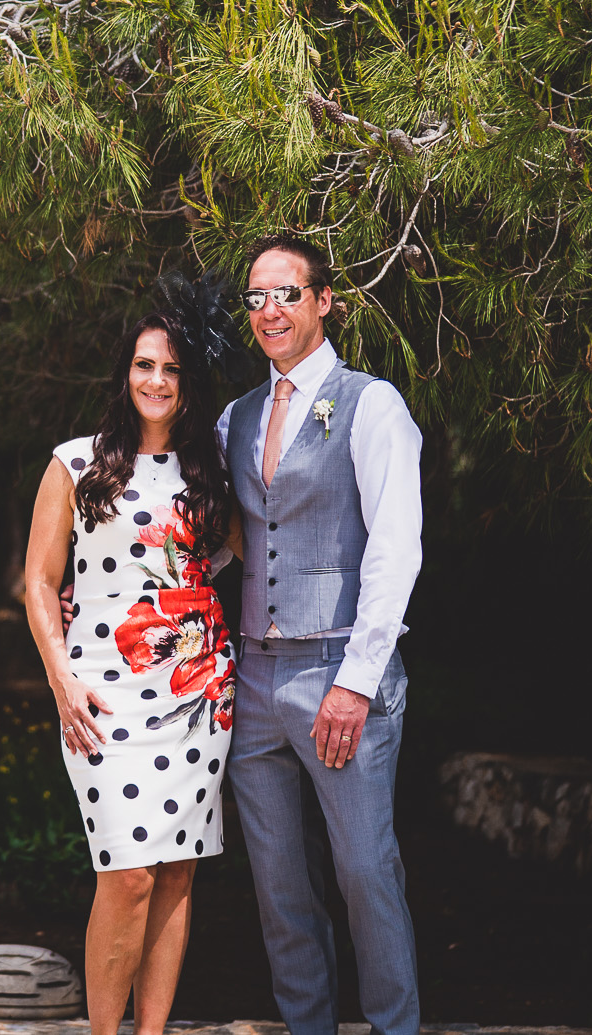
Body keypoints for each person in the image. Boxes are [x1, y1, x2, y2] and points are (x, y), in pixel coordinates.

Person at [219, 233, 424, 1035]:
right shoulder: (236, 417)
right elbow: (214, 536)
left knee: (365, 869)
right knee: (277, 885)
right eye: (256, 298)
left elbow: (396, 548)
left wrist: (355, 679)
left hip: (339, 668)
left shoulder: (371, 403)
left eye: (286, 294)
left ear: (324, 300)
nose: (270, 310)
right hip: (253, 677)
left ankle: (393, 1028)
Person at [23, 287, 243, 1035]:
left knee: (175, 874)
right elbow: (39, 581)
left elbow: (235, 552)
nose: (156, 380)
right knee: (125, 876)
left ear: (190, 382)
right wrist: (62, 680)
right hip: (101, 696)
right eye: (144, 364)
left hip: (198, 692)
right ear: (125, 372)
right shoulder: (77, 462)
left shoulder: (210, 468)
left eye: (172, 368)